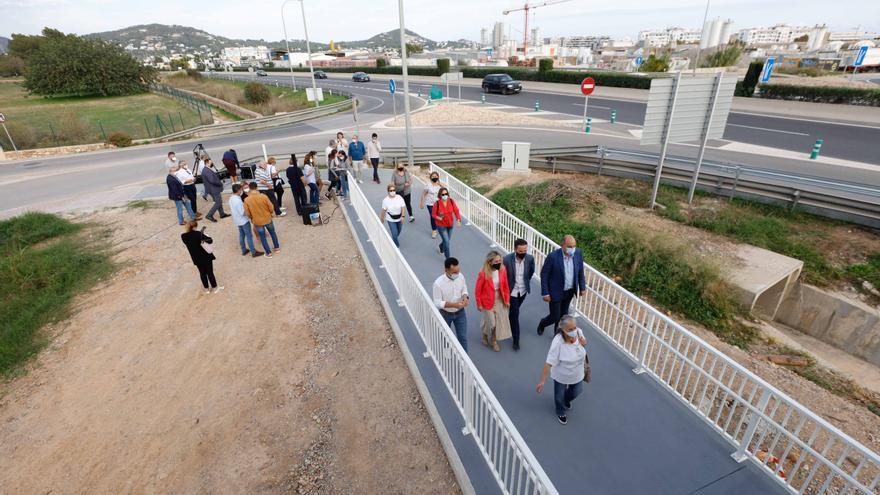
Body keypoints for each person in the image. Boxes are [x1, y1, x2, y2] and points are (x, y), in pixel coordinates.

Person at [535, 315, 587, 425]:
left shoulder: (579, 332)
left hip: (577, 373)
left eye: (574, 328)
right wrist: (542, 381)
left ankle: (566, 400)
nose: (574, 331)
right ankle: (560, 410)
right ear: (563, 330)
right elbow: (548, 363)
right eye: (570, 329)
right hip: (561, 375)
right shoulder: (558, 342)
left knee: (577, 391)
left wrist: (583, 343)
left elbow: (585, 342)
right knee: (559, 395)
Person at [537, 235, 587, 336]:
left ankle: (557, 335)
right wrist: (545, 292)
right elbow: (544, 274)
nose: (572, 249)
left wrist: (582, 287)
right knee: (555, 316)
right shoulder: (553, 257)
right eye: (569, 246)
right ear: (562, 245)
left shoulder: (578, 253)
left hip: (569, 291)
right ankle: (543, 323)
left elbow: (580, 271)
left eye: (574, 246)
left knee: (563, 317)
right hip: (555, 291)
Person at [476, 250, 512, 352]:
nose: (499, 263)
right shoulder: (483, 273)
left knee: (498, 322)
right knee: (492, 322)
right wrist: (479, 304)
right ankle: (484, 335)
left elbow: (505, 286)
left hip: (500, 298)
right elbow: (478, 290)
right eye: (496, 261)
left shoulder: (502, 270)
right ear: (490, 262)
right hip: (487, 300)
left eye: (500, 261)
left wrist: (507, 299)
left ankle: (494, 341)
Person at [432, 257, 470, 352]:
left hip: (460, 312)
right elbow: (437, 302)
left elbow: (464, 287)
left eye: (458, 271)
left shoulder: (460, 276)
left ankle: (465, 359)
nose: (457, 274)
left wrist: (465, 297)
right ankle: (447, 351)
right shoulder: (438, 284)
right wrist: (454, 305)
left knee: (462, 337)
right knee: (445, 336)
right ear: (446, 270)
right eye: (454, 272)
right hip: (445, 314)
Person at [503, 239, 535, 351]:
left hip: (523, 291)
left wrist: (525, 283)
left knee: (513, 312)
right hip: (511, 292)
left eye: (525, 250)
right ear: (515, 249)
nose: (523, 253)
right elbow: (503, 277)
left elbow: (531, 272)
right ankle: (516, 340)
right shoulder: (506, 260)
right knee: (515, 314)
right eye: (521, 251)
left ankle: (509, 317)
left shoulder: (530, 259)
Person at [180, 220, 223, 294]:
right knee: (210, 272)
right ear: (193, 227)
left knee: (202, 273)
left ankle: (206, 289)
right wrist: (205, 235)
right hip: (206, 257)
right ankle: (215, 288)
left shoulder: (183, 236)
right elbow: (210, 241)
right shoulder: (198, 234)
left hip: (196, 258)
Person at [244, 182, 281, 257]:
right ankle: (277, 248)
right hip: (267, 218)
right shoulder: (263, 196)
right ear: (257, 187)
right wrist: (270, 213)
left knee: (262, 236)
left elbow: (247, 212)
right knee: (272, 233)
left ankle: (268, 253)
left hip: (257, 221)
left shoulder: (246, 200)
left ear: (250, 189)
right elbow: (271, 207)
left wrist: (252, 218)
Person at [229, 183, 264, 258]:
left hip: (237, 220)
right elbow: (243, 212)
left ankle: (244, 249)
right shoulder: (238, 201)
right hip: (243, 221)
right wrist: (251, 216)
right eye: (241, 190)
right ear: (238, 190)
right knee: (249, 236)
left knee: (241, 235)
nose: (241, 191)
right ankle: (253, 252)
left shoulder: (231, 198)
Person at [432, 187, 461, 259]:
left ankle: (441, 247)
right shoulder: (437, 203)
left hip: (450, 224)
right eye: (443, 194)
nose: (445, 195)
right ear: (440, 195)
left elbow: (456, 210)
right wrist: (439, 218)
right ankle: (448, 260)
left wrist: (458, 220)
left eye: (446, 193)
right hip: (441, 226)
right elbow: (433, 214)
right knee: (447, 242)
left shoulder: (451, 201)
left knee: (446, 240)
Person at [201, 158, 229, 222]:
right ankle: (209, 215)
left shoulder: (206, 169)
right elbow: (212, 180)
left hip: (212, 189)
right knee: (218, 202)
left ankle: (222, 214)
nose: (212, 163)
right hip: (214, 189)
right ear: (207, 163)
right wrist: (220, 183)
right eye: (211, 162)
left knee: (218, 201)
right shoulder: (207, 170)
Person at [419, 171, 443, 239]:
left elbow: (445, 192)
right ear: (430, 177)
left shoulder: (440, 185)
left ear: (438, 177)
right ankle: (434, 230)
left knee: (441, 216)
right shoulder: (428, 185)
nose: (434, 177)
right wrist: (421, 203)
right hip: (430, 204)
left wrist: (440, 184)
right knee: (433, 216)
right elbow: (424, 193)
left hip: (439, 203)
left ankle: (440, 224)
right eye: (433, 176)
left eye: (436, 176)